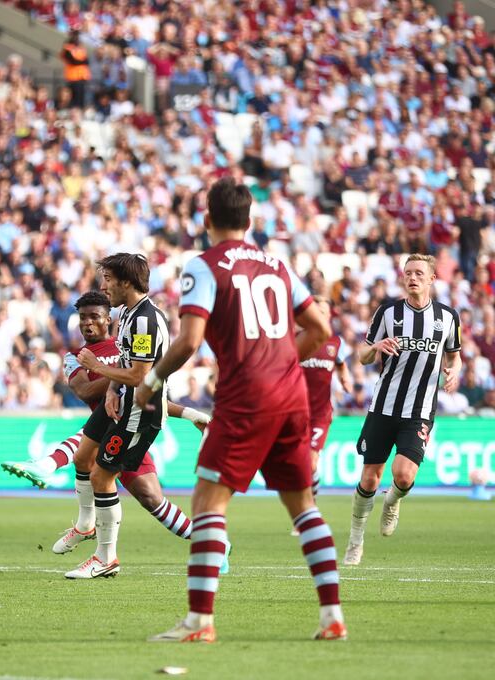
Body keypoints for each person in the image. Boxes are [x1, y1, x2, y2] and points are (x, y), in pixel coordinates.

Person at [136, 177, 345, 642]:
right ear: (250, 221)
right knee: (303, 506)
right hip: (293, 397)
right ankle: (332, 617)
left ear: (206, 219)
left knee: (208, 503)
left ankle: (199, 622)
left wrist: (151, 381)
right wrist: (284, 356)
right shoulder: (277, 265)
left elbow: (189, 339)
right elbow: (321, 326)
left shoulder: (204, 266)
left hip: (246, 396)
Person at [0, 291, 213, 571]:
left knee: (152, 499)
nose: (87, 323)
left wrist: (189, 412)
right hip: (107, 429)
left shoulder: (127, 348)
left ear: (108, 319)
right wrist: (128, 374)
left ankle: (210, 542)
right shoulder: (76, 357)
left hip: (132, 428)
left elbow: (152, 394)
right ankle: (76, 509)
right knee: (91, 455)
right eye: (82, 318)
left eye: (94, 317)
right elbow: (85, 389)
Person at [343, 254, 461, 567]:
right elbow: (363, 355)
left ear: (432, 278)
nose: (412, 278)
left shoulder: (448, 317)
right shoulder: (388, 312)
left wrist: (455, 371)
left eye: (419, 273)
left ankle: (392, 501)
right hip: (383, 406)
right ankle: (356, 540)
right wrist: (375, 348)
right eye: (408, 272)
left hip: (420, 410)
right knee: (369, 479)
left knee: (404, 475)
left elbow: (454, 355)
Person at [300, 295, 353, 499]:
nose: (322, 315)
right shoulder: (298, 339)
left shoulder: (334, 342)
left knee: (311, 462)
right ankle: (308, 496)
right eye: (318, 311)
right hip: (295, 411)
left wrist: (345, 379)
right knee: (298, 464)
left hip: (320, 413)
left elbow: (340, 363)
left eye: (325, 312)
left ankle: (308, 506)